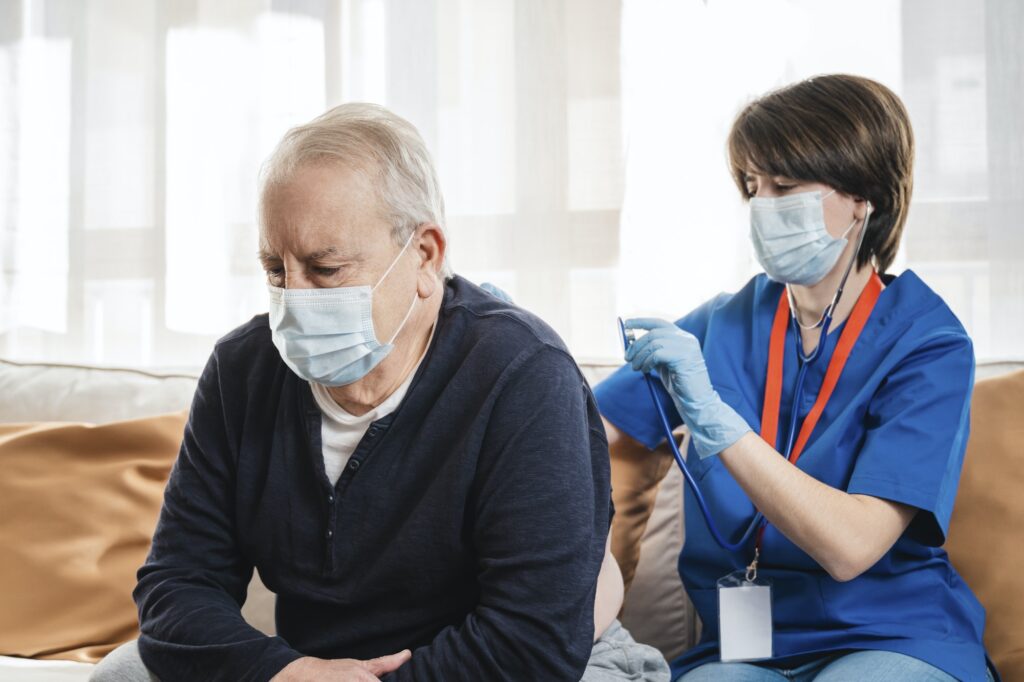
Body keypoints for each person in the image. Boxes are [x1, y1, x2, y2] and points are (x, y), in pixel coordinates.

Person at [89, 102, 663, 681]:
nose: (293, 295)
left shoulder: (524, 376)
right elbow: (176, 588)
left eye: (326, 267)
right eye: (275, 269)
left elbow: (532, 639)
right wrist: (284, 673)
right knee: (124, 674)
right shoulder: (241, 371)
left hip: (541, 668)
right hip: (311, 672)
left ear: (424, 256)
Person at [593, 75, 996, 681]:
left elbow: (851, 547)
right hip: (746, 647)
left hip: (895, 635)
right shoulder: (720, 323)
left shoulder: (928, 343)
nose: (761, 205)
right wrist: (514, 362)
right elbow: (587, 430)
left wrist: (720, 425)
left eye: (784, 185)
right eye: (752, 186)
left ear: (864, 197)